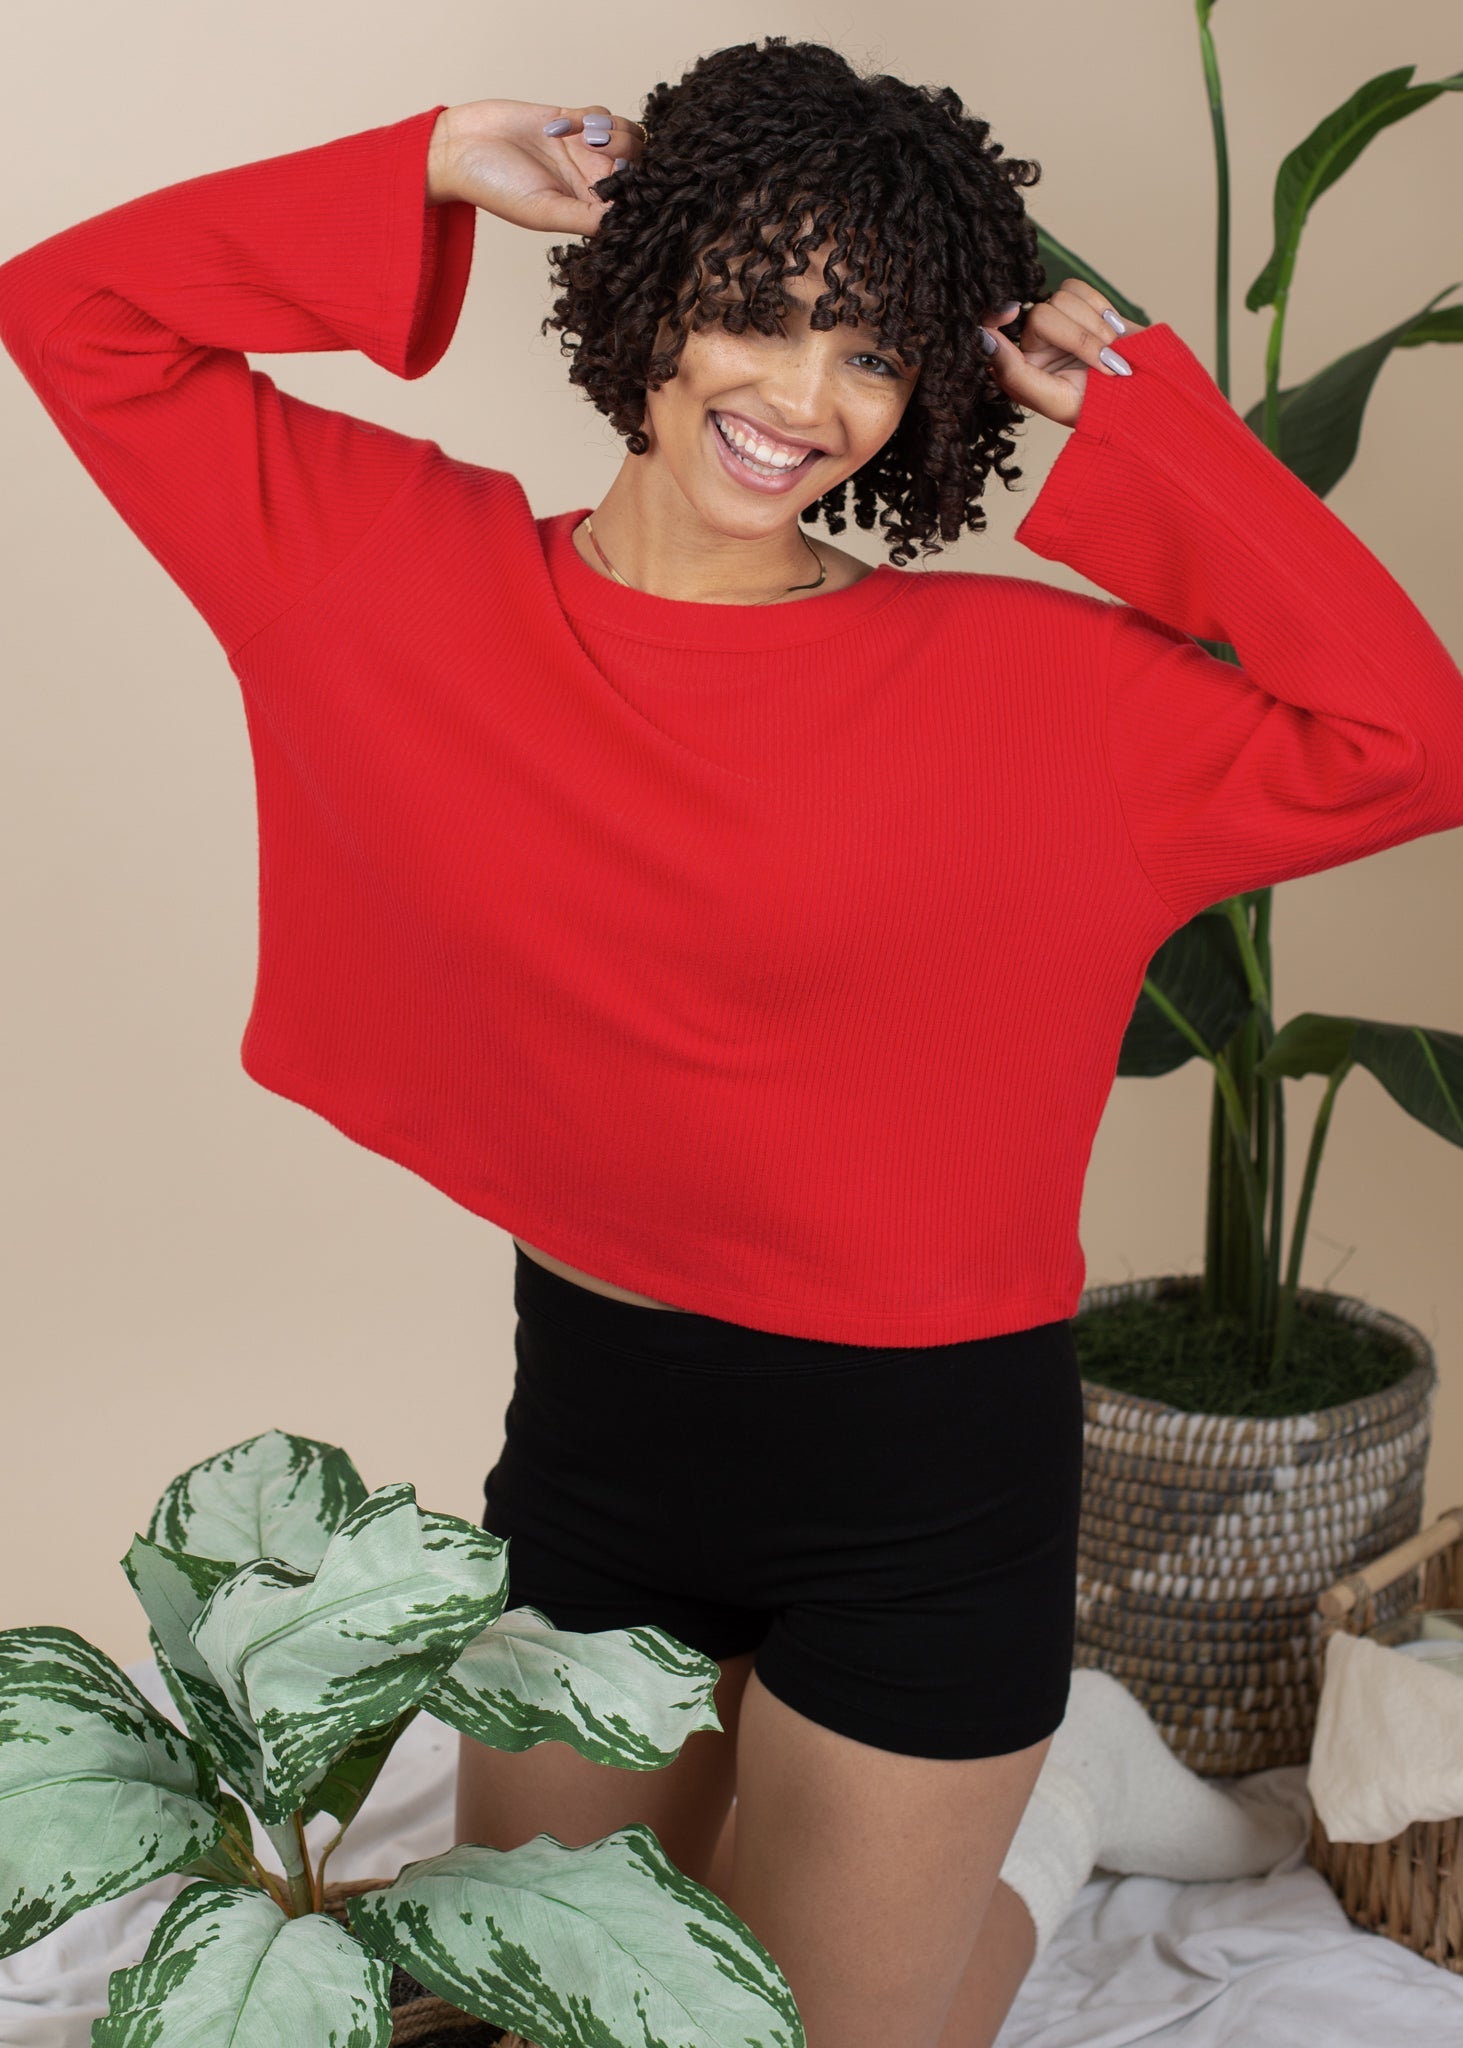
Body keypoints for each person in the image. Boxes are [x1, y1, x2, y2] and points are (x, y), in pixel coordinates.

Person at [0, 32, 1456, 2048]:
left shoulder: (1033, 699)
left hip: (923, 1493)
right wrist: (431, 161)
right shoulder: (380, 579)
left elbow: (1413, 738)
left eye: (870, 349)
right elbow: (71, 311)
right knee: (507, 2017)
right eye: (756, 307)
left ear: (925, 389)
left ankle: (1064, 1802)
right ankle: (1046, 1806)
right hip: (606, 1456)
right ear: (650, 291)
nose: (800, 392)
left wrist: (1154, 427)